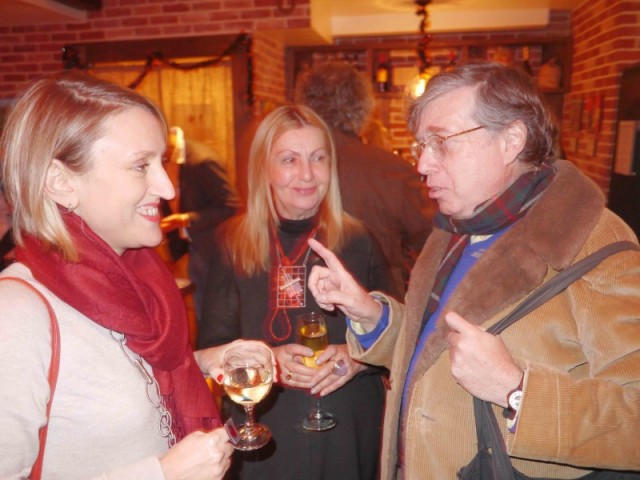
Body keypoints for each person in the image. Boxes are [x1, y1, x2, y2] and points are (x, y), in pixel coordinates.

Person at [306, 62, 640, 479]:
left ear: (511, 140)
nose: (423, 164)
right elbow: (434, 358)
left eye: (441, 142)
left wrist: (517, 391)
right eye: (422, 145)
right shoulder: (454, 231)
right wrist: (371, 315)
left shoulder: (596, 245)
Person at [0, 71, 275, 479]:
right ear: (60, 182)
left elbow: (112, 375)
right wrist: (162, 474)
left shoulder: (137, 276)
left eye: (161, 162)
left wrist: (201, 362)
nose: (167, 189)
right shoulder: (17, 312)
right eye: (140, 166)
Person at [197, 105, 392, 480]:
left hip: (347, 421)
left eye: (318, 158)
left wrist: (358, 359)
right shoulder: (231, 243)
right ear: (264, 168)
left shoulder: (358, 239)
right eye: (289, 159)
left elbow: (397, 335)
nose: (307, 174)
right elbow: (212, 349)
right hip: (265, 426)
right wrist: (266, 361)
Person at [294, 62, 434, 297]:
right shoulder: (391, 169)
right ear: (363, 107)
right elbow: (432, 239)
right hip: (380, 302)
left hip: (302, 297)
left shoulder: (286, 167)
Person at [160, 126, 242, 320]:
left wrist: (186, 219)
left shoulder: (203, 160)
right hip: (196, 249)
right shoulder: (169, 157)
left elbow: (232, 206)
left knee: (217, 317)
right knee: (203, 315)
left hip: (216, 252)